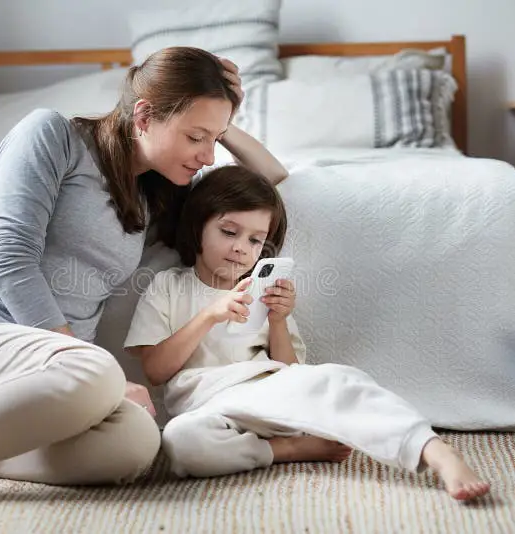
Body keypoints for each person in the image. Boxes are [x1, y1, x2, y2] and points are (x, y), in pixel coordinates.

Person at [0, 46, 289, 519]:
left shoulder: (154, 196)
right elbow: (10, 260)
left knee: (134, 444)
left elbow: (269, 182)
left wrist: (218, 114)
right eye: (196, 136)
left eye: (213, 139)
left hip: (53, 391)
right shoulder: (52, 135)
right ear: (145, 115)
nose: (208, 155)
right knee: (100, 372)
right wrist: (88, 364)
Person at [124, 166, 491, 501]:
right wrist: (209, 315)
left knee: (338, 380)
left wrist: (279, 320)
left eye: (255, 241)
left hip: (268, 390)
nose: (240, 248)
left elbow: (290, 368)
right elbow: (156, 371)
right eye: (228, 232)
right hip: (209, 408)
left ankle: (434, 451)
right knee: (179, 442)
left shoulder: (259, 290)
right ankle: (290, 450)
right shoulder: (167, 287)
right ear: (197, 227)